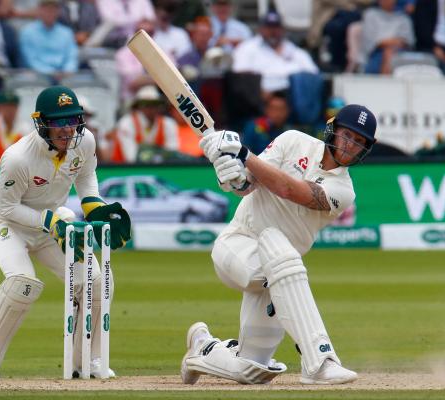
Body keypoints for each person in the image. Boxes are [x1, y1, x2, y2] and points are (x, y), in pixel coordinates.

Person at [181, 104, 377, 385]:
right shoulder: (292, 140)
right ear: (333, 130)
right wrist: (232, 173)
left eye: (359, 142)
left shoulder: (344, 191)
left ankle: (202, 348)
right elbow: (247, 186)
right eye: (348, 135)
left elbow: (291, 190)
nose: (350, 146)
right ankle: (320, 361)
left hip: (281, 275)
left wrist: (243, 155)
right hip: (238, 245)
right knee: (276, 242)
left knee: (252, 370)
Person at [0, 85, 131, 381]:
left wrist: (93, 205)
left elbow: (86, 175)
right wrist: (51, 222)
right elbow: (7, 208)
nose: (67, 130)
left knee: (96, 280)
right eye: (58, 122)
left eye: (72, 120)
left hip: (52, 223)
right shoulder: (18, 158)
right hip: (9, 224)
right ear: (41, 123)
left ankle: (88, 361)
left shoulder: (85, 142)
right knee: (22, 284)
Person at [109, 85, 178, 164]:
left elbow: (172, 154)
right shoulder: (126, 123)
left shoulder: (168, 124)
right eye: (145, 104)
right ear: (138, 106)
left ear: (159, 105)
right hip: (124, 172)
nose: (150, 107)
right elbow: (131, 157)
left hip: (159, 170)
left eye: (154, 104)